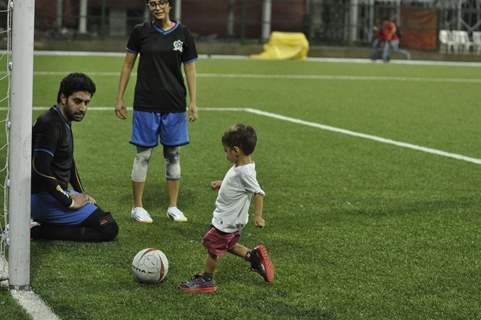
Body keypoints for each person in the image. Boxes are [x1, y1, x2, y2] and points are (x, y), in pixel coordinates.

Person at [115, 0, 198, 224]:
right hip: (145, 102)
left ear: (169, 6)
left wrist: (193, 101)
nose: (157, 7)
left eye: (161, 2)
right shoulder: (140, 32)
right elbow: (127, 65)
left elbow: (189, 67)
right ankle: (138, 207)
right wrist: (120, 97)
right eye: (152, 3)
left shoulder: (183, 33)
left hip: (174, 104)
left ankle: (173, 206)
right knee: (143, 155)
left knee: (173, 155)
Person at [178, 124, 274, 293]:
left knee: (212, 247)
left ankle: (207, 280)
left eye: (226, 150)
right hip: (230, 219)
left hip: (227, 220)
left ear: (236, 150)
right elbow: (239, 185)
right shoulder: (244, 166)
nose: (225, 153)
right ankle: (253, 257)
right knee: (228, 244)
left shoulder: (245, 172)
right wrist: (223, 184)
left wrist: (258, 216)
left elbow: (258, 193)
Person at [31, 73, 119, 242]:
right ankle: (36, 230)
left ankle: (41, 225)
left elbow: (68, 161)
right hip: (41, 198)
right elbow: (40, 167)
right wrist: (69, 201)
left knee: (95, 211)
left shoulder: (62, 119)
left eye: (86, 103)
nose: (83, 108)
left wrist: (81, 193)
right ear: (63, 97)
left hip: (54, 193)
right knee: (108, 227)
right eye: (77, 101)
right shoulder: (50, 123)